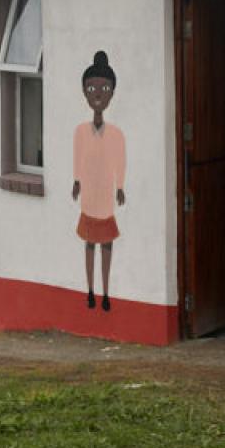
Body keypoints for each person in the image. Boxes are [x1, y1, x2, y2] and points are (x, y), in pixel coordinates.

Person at [69, 52, 127, 311]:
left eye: (104, 88)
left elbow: (120, 161)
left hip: (105, 197)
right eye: (92, 88)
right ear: (84, 91)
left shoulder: (116, 134)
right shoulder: (81, 131)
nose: (98, 94)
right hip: (89, 194)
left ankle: (105, 292)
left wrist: (121, 187)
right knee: (89, 244)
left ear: (112, 92)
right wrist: (76, 180)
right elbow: (77, 156)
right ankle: (91, 290)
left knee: (107, 245)